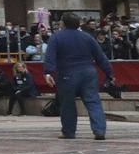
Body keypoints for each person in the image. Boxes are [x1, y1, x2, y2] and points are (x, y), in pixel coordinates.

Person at [44, 11, 113, 141]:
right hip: (88, 73)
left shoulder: (56, 37)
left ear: (63, 23)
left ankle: (69, 132)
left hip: (67, 74)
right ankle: (99, 130)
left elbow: (50, 56)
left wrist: (48, 72)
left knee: (67, 104)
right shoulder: (87, 37)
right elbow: (100, 57)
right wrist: (109, 73)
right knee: (93, 102)